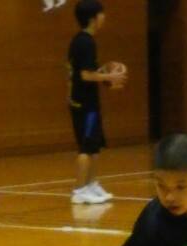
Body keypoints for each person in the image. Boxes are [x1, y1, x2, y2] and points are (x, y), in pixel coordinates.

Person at [68, 0, 126, 205]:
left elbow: (87, 72)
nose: (104, 17)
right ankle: (79, 189)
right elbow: (85, 75)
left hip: (88, 102)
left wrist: (102, 73)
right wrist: (110, 77)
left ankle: (91, 184)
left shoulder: (84, 41)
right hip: (83, 104)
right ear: (93, 18)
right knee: (85, 148)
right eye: (102, 14)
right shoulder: (85, 42)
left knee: (94, 147)